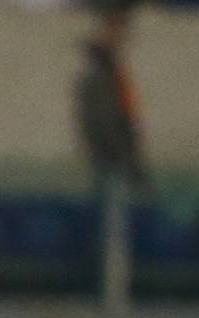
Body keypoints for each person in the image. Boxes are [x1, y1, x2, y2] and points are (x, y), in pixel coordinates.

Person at [75, 5, 141, 192]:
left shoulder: (114, 75)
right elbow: (102, 121)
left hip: (119, 141)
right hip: (111, 147)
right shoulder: (98, 79)